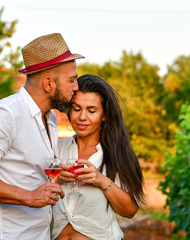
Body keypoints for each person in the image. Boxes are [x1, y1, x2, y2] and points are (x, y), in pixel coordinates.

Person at [0, 33, 84, 239]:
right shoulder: (6, 114)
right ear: (48, 84)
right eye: (71, 80)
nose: (76, 87)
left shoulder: (50, 119)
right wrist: (29, 196)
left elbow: (30, 170)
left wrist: (58, 174)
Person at [52, 74, 145, 240]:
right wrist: (56, 180)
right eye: (77, 109)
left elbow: (129, 211)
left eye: (92, 111)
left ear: (104, 115)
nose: (82, 117)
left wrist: (102, 181)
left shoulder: (116, 153)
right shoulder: (55, 148)